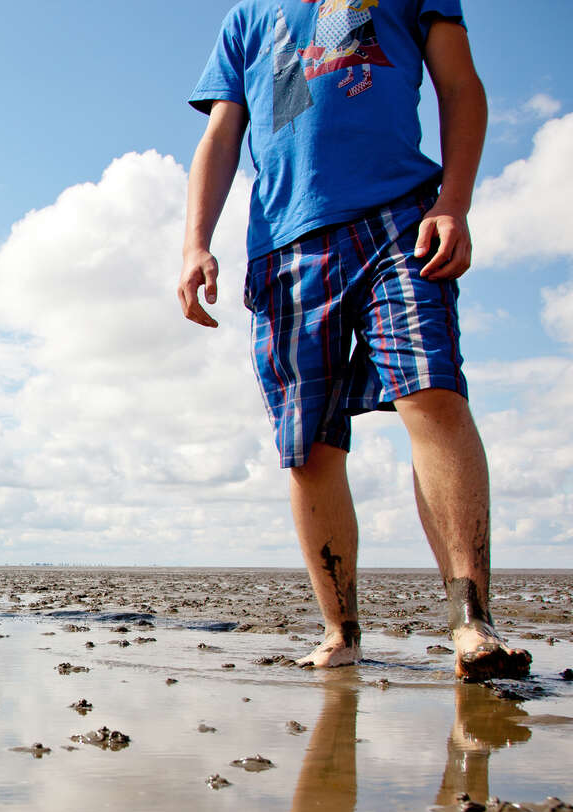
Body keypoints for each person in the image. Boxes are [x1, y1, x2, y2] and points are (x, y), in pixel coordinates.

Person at [178, 0, 530, 680]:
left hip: (399, 216)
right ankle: (342, 631)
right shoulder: (248, 18)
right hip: (283, 246)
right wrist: (195, 243)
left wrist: (453, 201)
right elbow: (222, 137)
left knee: (430, 393)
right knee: (308, 445)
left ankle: (472, 621)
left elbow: (459, 84)